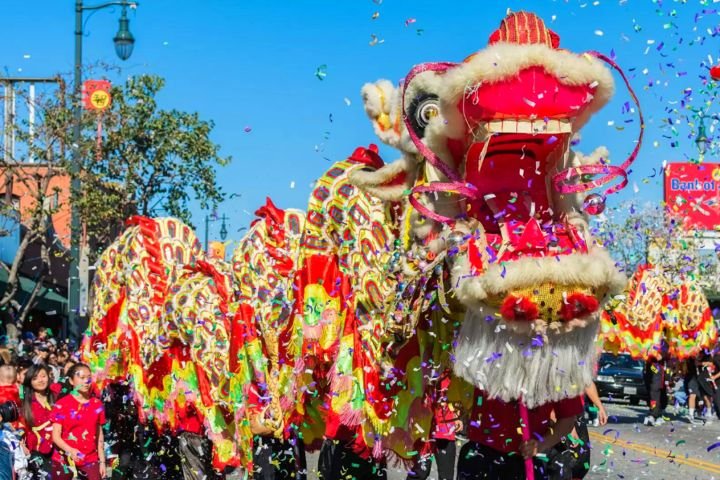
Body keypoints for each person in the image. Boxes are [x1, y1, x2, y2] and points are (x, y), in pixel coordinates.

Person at [456, 389, 582, 480]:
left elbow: (568, 419)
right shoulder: (485, 355)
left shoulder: (557, 362)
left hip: (525, 461)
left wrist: (541, 444)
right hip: (479, 456)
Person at [50, 363, 107, 480]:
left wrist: (102, 461)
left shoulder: (97, 404)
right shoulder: (62, 404)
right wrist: (70, 450)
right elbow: (55, 436)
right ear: (71, 381)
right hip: (64, 459)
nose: (86, 381)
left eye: (89, 378)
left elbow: (99, 435)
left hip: (89, 458)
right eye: (81, 378)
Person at [21, 364, 55, 479]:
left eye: (43, 376)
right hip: (36, 451)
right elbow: (19, 428)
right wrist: (22, 445)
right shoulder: (26, 404)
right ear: (29, 381)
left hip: (57, 449)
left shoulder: (57, 396)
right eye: (35, 378)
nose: (40, 380)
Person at [643, 356, 668, 426]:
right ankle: (654, 412)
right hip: (650, 366)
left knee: (655, 390)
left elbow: (662, 356)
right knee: (651, 391)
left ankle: (654, 415)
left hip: (657, 367)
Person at [684, 358, 705, 424]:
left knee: (697, 396)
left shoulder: (700, 354)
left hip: (697, 378)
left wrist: (698, 362)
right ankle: (692, 414)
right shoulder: (686, 356)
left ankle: (697, 412)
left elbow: (708, 363)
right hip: (689, 377)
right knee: (692, 395)